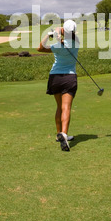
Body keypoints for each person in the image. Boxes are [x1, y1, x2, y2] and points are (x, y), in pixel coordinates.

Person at [37, 19, 79, 151]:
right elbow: (70, 34)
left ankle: (58, 134)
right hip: (69, 77)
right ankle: (64, 134)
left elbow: (40, 48)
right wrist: (61, 36)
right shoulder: (76, 42)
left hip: (55, 77)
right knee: (66, 107)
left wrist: (50, 35)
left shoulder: (57, 47)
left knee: (59, 107)